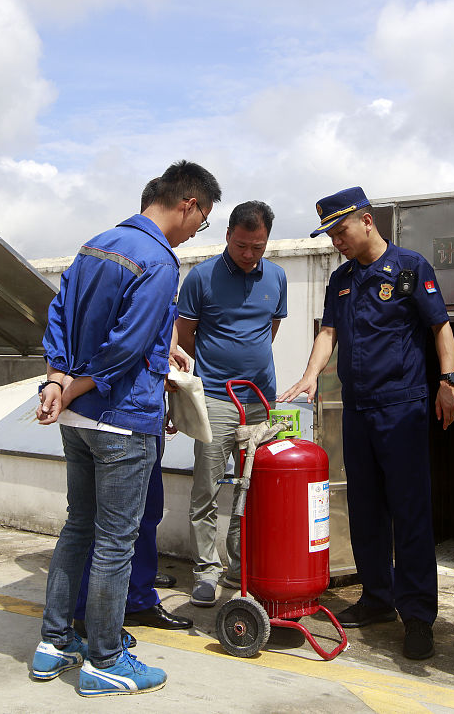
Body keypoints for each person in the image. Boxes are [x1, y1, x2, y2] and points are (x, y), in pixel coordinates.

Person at [30, 161, 220, 697]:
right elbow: (125, 347)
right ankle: (106, 660)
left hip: (78, 420)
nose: (193, 231)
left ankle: (55, 642)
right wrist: (74, 386)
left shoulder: (95, 245)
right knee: (115, 541)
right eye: (201, 219)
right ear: (189, 204)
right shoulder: (159, 262)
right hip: (122, 420)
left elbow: (61, 316)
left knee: (79, 527)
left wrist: (56, 382)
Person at [279, 186, 454, 661]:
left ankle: (418, 615)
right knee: (364, 508)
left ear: (367, 220)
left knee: (410, 511)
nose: (337, 240)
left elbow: (439, 324)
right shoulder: (341, 279)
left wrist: (448, 380)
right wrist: (309, 375)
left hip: (402, 406)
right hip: (358, 408)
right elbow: (328, 332)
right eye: (330, 234)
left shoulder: (409, 266)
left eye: (341, 230)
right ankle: (378, 597)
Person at [175, 201, 287, 607]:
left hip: (260, 400)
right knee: (206, 487)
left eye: (258, 247)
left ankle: (243, 567)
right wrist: (213, 368)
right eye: (242, 245)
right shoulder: (200, 278)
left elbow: (269, 329)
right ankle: (207, 571)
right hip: (216, 400)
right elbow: (183, 336)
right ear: (227, 235)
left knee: (252, 488)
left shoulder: (277, 276)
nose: (249, 254)